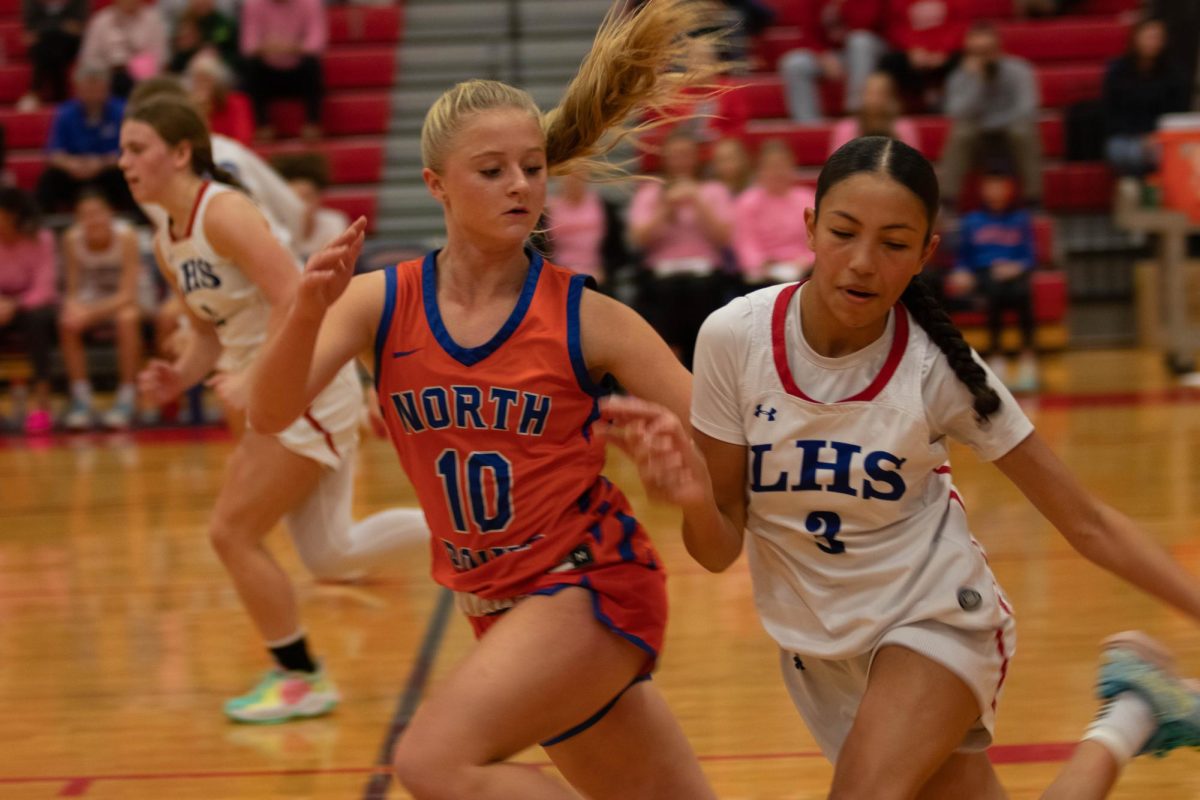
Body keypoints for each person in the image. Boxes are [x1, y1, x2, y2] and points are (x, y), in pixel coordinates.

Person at [604, 135, 1200, 799]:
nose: (862, 263)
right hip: (821, 650)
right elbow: (716, 551)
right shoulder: (733, 338)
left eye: (893, 243)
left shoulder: (938, 370)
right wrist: (690, 499)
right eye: (844, 232)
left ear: (925, 254)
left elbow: (1086, 522)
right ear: (810, 226)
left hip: (934, 619)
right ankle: (1133, 712)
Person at [246, 2, 726, 796]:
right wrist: (303, 308)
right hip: (497, 605)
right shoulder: (380, 301)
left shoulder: (587, 315)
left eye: (533, 167)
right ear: (436, 185)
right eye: (493, 169)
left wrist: (690, 478)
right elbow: (268, 413)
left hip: (586, 582)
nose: (520, 185)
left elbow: (724, 426)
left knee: (430, 763)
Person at [118, 96, 429, 723]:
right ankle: (479, 528)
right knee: (330, 554)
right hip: (280, 395)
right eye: (122, 150)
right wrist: (176, 376)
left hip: (302, 389)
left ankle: (301, 678)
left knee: (230, 533)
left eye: (136, 148)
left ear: (180, 153)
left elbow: (295, 296)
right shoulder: (165, 241)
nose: (122, 161)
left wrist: (258, 376)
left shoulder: (224, 212)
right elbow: (208, 334)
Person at [127, 75, 306, 251]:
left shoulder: (222, 155)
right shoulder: (225, 148)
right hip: (257, 261)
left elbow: (294, 209)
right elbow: (293, 209)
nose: (124, 161)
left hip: (263, 266)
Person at [629, 130, 733, 369]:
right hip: (662, 278)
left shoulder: (713, 191)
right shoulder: (650, 193)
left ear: (696, 157)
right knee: (667, 297)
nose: (680, 161)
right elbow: (638, 239)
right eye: (674, 155)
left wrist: (697, 201)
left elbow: (724, 239)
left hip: (705, 275)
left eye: (685, 154)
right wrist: (665, 208)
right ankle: (671, 367)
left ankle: (702, 364)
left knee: (701, 293)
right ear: (665, 158)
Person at [59, 189, 152, 431]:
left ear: (110, 213)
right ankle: (81, 398)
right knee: (67, 321)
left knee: (126, 318)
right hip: (95, 301)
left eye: (98, 213)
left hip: (131, 299)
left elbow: (128, 295)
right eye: (86, 215)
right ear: (78, 219)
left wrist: (90, 314)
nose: (93, 219)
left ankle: (127, 396)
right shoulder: (71, 239)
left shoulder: (127, 236)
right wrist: (74, 309)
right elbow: (71, 290)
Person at [946, 167, 1040, 392]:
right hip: (984, 274)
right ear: (982, 189)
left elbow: (1030, 256)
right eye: (991, 186)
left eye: (1001, 186)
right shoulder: (972, 221)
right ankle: (997, 356)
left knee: (1022, 292)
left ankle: (1028, 356)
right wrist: (961, 271)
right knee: (994, 293)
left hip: (1014, 273)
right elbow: (963, 257)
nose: (995, 191)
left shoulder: (1020, 219)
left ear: (1010, 189)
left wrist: (1015, 267)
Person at [940, 21, 1042, 210]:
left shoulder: (1020, 70)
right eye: (977, 52)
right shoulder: (960, 76)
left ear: (999, 49)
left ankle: (1033, 199)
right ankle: (948, 200)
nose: (984, 57)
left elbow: (1028, 109)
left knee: (1022, 130)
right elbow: (956, 112)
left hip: (1009, 136)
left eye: (988, 50)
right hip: (978, 141)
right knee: (961, 133)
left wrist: (992, 123)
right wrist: (977, 81)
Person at [35, 65, 134, 214]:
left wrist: (101, 164)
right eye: (88, 88)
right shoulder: (65, 113)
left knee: (130, 174)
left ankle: (139, 221)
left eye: (97, 88)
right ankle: (43, 225)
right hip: (74, 173)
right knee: (50, 178)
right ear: (78, 89)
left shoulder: (122, 111)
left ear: (107, 88)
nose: (92, 94)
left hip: (109, 171)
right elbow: (53, 153)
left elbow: (131, 150)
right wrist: (71, 164)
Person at [1101, 18, 1189, 178]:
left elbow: (1178, 115)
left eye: (1157, 37)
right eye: (1148, 36)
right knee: (1127, 152)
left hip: (1163, 139)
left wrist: (1156, 137)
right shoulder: (1118, 72)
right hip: (1126, 138)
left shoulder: (1174, 74)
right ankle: (1140, 186)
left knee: (1171, 154)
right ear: (1136, 38)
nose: (1152, 42)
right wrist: (1140, 137)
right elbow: (1110, 114)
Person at [0, 187, 57, 435]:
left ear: (13, 215)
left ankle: (41, 401)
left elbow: (45, 288)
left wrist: (14, 304)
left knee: (37, 321)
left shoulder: (41, 238)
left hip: (31, 306)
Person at [777, 0, 886, 123]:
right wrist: (823, 55)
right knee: (794, 64)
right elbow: (808, 32)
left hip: (870, 50)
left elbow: (866, 23)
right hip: (832, 53)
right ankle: (809, 126)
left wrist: (842, 5)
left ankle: (855, 112)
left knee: (859, 41)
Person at [239, 0, 327, 141]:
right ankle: (262, 125)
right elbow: (248, 46)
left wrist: (289, 47)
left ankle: (312, 123)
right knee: (251, 67)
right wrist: (270, 48)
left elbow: (317, 43)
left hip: (299, 71)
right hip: (267, 73)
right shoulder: (253, 5)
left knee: (313, 65)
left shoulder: (310, 3)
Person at [733, 140, 816, 287]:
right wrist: (761, 264)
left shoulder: (807, 198)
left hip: (802, 269)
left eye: (782, 165)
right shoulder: (747, 201)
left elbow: (816, 238)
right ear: (760, 170)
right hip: (763, 273)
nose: (777, 172)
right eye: (771, 166)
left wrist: (805, 261)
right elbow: (745, 242)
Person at [77, 0, 168, 98]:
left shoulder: (153, 20)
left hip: (142, 79)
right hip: (109, 77)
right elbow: (89, 57)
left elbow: (160, 57)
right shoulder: (101, 21)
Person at [271, 152, 350, 264]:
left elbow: (337, 263)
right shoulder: (274, 227)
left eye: (306, 197)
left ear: (319, 197)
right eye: (293, 198)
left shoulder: (334, 222)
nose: (300, 205)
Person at [827, 70, 920, 157]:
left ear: (891, 97)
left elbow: (914, 166)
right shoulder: (846, 128)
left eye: (880, 94)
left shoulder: (904, 127)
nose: (874, 99)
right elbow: (836, 167)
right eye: (870, 93)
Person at [19, 0, 87, 109]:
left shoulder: (78, 3)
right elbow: (29, 34)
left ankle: (35, 90)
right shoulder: (31, 3)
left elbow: (78, 28)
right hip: (42, 46)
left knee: (51, 45)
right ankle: (61, 96)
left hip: (69, 45)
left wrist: (47, 27)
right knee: (50, 46)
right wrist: (60, 25)